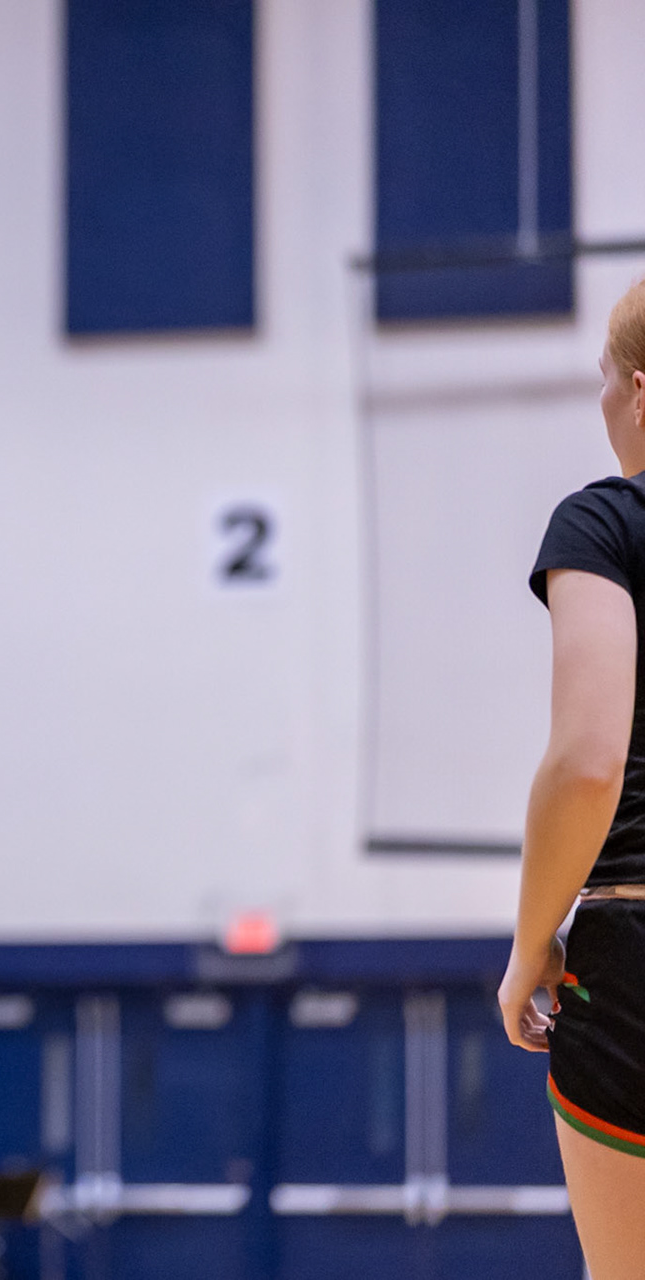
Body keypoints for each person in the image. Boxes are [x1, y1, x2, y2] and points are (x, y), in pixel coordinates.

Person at [500, 276, 645, 1273]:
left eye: (601, 376)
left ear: (639, 389)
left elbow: (590, 763)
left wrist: (529, 947)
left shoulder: (604, 521)